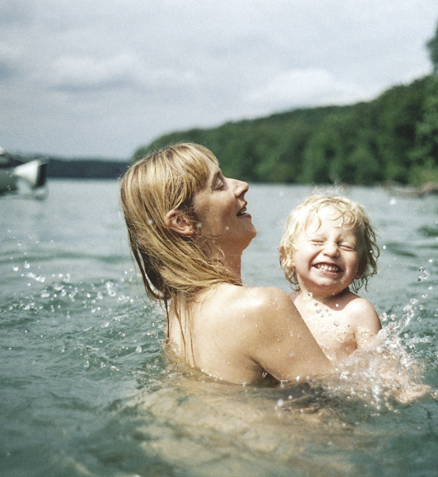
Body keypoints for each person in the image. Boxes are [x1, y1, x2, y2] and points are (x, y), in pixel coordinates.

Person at [120, 143, 332, 385]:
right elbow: (338, 403)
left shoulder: (176, 316)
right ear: (182, 221)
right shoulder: (261, 308)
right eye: (219, 185)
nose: (242, 185)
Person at [279, 194, 382, 361]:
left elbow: (382, 368)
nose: (332, 251)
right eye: (318, 242)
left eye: (346, 246)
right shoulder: (283, 305)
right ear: (288, 255)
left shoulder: (358, 311)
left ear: (360, 267)